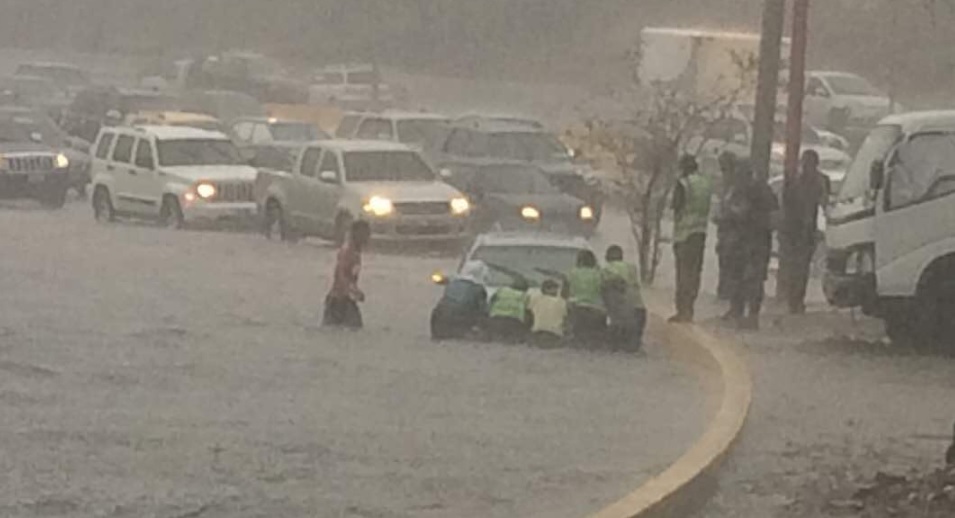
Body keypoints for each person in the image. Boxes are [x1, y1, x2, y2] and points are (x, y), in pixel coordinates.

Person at [722, 162, 779, 330]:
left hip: (744, 241)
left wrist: (731, 214)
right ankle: (749, 316)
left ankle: (741, 314)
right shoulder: (766, 191)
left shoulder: (741, 191)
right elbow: (775, 217)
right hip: (759, 241)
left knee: (741, 278)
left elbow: (736, 212)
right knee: (753, 280)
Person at [782, 149, 831, 314]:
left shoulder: (820, 182)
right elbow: (786, 205)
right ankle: (793, 300)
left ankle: (796, 300)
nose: (807, 167)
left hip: (807, 231)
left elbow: (824, 204)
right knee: (794, 267)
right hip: (794, 230)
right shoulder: (795, 181)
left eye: (809, 164)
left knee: (801, 267)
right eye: (805, 163)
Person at [670, 154, 714, 323]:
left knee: (683, 273)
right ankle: (690, 309)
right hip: (701, 233)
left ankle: (682, 310)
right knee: (695, 273)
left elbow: (676, 205)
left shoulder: (684, 184)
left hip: (684, 235)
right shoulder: (706, 184)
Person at [323, 220, 371, 329]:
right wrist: (353, 290)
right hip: (338, 302)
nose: (367, 238)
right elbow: (341, 275)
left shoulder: (356, 253)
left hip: (346, 299)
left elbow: (349, 276)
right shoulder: (348, 252)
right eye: (365, 234)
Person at [601, 245, 647, 352]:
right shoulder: (632, 268)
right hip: (639, 313)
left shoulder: (606, 270)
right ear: (622, 257)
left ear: (606, 258)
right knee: (632, 348)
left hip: (622, 317)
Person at [430, 261, 489, 340]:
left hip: (438, 318)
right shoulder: (478, 289)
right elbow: (483, 311)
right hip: (460, 322)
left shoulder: (452, 283)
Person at [565, 250, 607, 343]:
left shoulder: (572, 273)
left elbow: (565, 292)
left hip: (576, 309)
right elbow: (605, 291)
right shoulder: (599, 274)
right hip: (596, 309)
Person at [714, 151, 739, 300]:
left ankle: (728, 292)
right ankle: (724, 290)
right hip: (724, 230)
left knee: (729, 262)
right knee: (724, 261)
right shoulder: (725, 184)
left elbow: (734, 208)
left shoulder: (735, 185)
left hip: (732, 231)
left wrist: (725, 217)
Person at [486, 277, 530, 343]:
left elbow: (491, 302)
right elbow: (525, 312)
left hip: (495, 319)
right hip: (512, 322)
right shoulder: (523, 296)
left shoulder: (501, 290)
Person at [527, 279, 568, 348]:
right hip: (554, 335)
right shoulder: (561, 302)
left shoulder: (535, 298)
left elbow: (529, 312)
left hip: (537, 333)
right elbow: (566, 318)